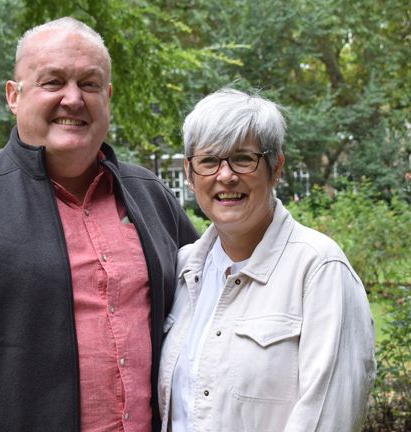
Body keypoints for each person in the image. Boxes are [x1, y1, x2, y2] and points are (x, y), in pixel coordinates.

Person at [0, 17, 197, 431]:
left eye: (90, 83)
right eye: (53, 82)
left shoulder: (150, 195)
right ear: (15, 95)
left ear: (108, 96)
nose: (73, 98)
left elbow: (208, 308)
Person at [158, 88, 376, 431]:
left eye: (243, 158)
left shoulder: (318, 269)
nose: (226, 175)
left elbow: (328, 419)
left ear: (275, 168)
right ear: (189, 172)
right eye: (209, 160)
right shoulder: (185, 269)